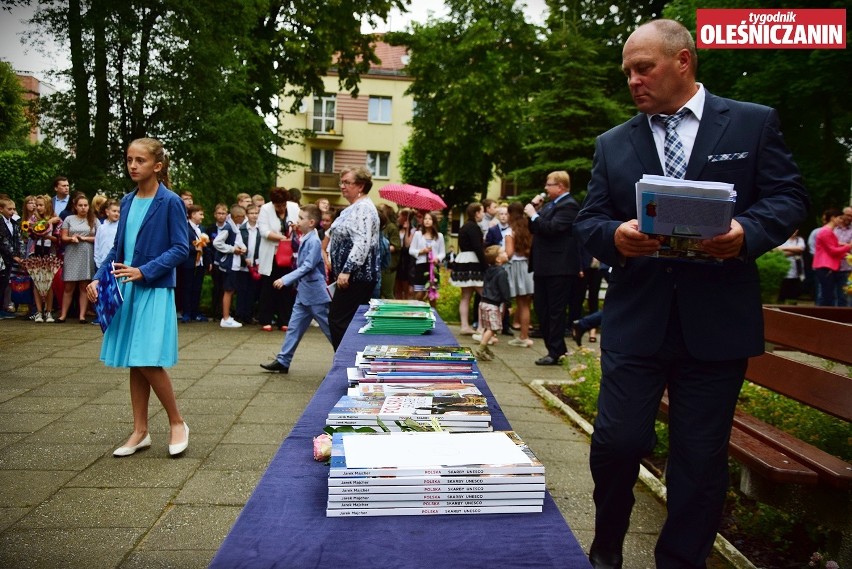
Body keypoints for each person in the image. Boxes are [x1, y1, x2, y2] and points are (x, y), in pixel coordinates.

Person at [573, 19, 808, 569]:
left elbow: (789, 197)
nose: (633, 80)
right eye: (627, 71)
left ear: (683, 62)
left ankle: (681, 561)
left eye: (643, 68)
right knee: (617, 443)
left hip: (717, 323)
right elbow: (589, 220)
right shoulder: (613, 143)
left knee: (699, 461)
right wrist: (617, 236)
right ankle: (607, 544)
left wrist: (747, 232)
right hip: (638, 317)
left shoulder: (750, 124)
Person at [86, 137, 190, 458]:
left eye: (140, 160)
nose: (133, 165)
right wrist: (97, 278)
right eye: (129, 159)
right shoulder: (127, 201)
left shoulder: (170, 201)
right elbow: (118, 250)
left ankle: (177, 423)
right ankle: (140, 431)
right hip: (125, 289)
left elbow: (181, 249)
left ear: (157, 166)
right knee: (135, 360)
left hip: (153, 288)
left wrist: (144, 270)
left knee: (146, 359)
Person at [260, 204, 333, 373]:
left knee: (329, 329)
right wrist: (295, 232)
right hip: (304, 293)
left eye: (301, 218)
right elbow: (296, 249)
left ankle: (345, 359)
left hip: (315, 294)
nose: (297, 220)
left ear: (312, 222)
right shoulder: (308, 236)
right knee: (293, 327)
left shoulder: (314, 241)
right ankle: (283, 361)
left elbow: (308, 265)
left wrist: (285, 279)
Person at [524, 171, 581, 366]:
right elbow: (535, 228)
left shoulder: (569, 206)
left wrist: (534, 216)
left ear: (561, 186)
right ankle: (555, 348)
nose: (546, 188)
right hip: (544, 267)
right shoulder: (550, 206)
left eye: (549, 185)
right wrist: (534, 210)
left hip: (559, 268)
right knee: (542, 308)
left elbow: (552, 229)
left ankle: (555, 351)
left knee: (555, 311)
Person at [327, 166, 380, 350]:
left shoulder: (363, 208)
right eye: (341, 182)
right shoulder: (355, 208)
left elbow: (362, 243)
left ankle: (346, 365)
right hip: (351, 277)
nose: (342, 186)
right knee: (345, 321)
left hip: (356, 277)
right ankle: (348, 365)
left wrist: (347, 270)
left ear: (361, 186)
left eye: (347, 182)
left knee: (338, 320)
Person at [257, 187, 300, 331]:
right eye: (278, 205)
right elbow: (263, 231)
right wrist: (282, 238)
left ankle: (284, 320)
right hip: (271, 253)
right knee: (268, 287)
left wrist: (295, 227)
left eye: (283, 204)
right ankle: (265, 319)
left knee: (287, 287)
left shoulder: (294, 207)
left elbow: (300, 225)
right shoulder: (265, 209)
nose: (281, 208)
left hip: (288, 255)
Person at [58, 193, 97, 323]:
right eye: (80, 205)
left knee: (84, 286)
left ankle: (82, 315)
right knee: (69, 286)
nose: (83, 208)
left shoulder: (93, 219)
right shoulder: (69, 219)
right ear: (75, 206)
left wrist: (85, 238)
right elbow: (63, 237)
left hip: (87, 253)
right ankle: (63, 315)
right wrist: (71, 238)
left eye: (85, 205)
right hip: (72, 253)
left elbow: (100, 238)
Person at [450, 202, 485, 334]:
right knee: (484, 294)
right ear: (476, 213)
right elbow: (478, 247)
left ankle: (464, 325)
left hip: (463, 259)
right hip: (473, 261)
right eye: (481, 211)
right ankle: (482, 326)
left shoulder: (464, 226)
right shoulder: (474, 227)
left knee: (465, 296)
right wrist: (485, 265)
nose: (483, 214)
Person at [504, 202, 534, 348]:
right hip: (528, 266)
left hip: (516, 267)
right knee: (526, 303)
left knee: (521, 303)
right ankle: (524, 335)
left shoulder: (510, 231)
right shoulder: (528, 227)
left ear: (510, 214)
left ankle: (523, 337)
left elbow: (509, 254)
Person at [473, 245, 510, 362]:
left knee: (487, 327)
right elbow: (504, 290)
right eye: (503, 252)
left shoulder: (489, 270)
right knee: (493, 328)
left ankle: (485, 348)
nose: (506, 253)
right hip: (492, 304)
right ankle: (481, 348)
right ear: (498, 259)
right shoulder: (502, 273)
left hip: (483, 302)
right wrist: (508, 303)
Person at [213, 204, 248, 328]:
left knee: (231, 290)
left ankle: (227, 316)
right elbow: (217, 242)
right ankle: (226, 317)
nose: (244, 218)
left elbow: (238, 241)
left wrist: (243, 248)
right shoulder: (228, 228)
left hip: (234, 263)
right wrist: (232, 249)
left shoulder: (235, 227)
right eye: (242, 216)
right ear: (236, 216)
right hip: (229, 264)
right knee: (228, 290)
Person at [813, 208, 852, 307]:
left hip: (829, 266)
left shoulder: (828, 231)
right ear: (833, 218)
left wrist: (847, 254)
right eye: (840, 218)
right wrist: (849, 246)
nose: (841, 220)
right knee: (827, 296)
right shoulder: (826, 231)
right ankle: (822, 318)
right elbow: (833, 250)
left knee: (830, 295)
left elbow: (835, 247)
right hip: (825, 266)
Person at [180, 205, 211, 324]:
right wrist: (195, 249)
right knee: (187, 287)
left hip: (201, 263)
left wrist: (208, 261)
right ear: (193, 215)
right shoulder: (184, 228)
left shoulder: (202, 228)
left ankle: (195, 312)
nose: (202, 217)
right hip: (189, 262)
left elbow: (207, 247)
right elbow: (182, 245)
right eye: (200, 214)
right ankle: (186, 312)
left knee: (197, 288)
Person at [408, 211, 445, 306]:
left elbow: (442, 253)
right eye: (425, 219)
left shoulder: (439, 236)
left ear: (434, 221)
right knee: (420, 294)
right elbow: (411, 250)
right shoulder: (418, 234)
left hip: (433, 267)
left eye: (429, 219)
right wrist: (421, 251)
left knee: (432, 294)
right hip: (421, 267)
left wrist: (437, 258)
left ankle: (433, 315)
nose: (427, 221)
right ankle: (418, 315)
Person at [236, 204, 261, 324]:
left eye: (256, 213)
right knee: (242, 290)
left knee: (252, 291)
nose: (254, 216)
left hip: (256, 265)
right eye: (251, 213)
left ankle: (248, 315)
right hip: (243, 264)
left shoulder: (261, 229)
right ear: (247, 215)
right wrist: (244, 257)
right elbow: (239, 244)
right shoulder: (241, 229)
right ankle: (240, 314)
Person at [0, 197, 24, 319]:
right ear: (1, 209)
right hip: (2, 257)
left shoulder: (14, 222)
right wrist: (13, 255)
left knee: (5, 283)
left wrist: (20, 254)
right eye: (9, 209)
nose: (12, 212)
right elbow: (3, 241)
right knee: (1, 282)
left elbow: (18, 239)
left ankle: (4, 308)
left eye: (14, 209)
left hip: (10, 258)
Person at [775, 230, 805, 304]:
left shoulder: (799, 240)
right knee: (782, 292)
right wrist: (794, 251)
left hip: (797, 271)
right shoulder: (782, 239)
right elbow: (777, 251)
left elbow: (801, 249)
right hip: (784, 270)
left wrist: (784, 249)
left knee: (794, 293)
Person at [378, 204, 401, 299]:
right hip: (380, 265)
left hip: (389, 267)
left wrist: (382, 248)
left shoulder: (391, 227)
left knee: (387, 293)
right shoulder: (380, 227)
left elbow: (396, 246)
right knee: (379, 293)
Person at [394, 208, 415, 299]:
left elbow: (407, 244)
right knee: (397, 287)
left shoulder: (413, 230)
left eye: (399, 216)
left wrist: (407, 230)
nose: (398, 218)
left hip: (407, 261)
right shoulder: (397, 229)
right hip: (398, 260)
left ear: (405, 217)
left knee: (405, 287)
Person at [833, 206, 852, 306]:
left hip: (847, 268)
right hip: (832, 266)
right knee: (830, 295)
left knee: (844, 296)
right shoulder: (833, 228)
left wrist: (837, 244)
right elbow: (829, 245)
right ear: (842, 214)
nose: (850, 218)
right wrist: (847, 245)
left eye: (851, 216)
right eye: (848, 215)